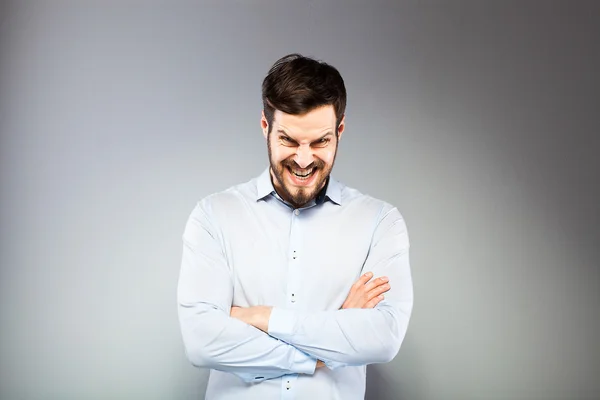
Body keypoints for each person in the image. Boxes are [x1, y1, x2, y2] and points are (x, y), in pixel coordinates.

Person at [177, 53, 413, 400]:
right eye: (289, 140)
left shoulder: (380, 223)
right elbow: (202, 342)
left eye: (320, 142)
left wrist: (264, 318)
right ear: (265, 128)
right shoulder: (213, 216)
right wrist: (331, 341)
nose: (304, 160)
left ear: (340, 131)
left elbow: (383, 338)